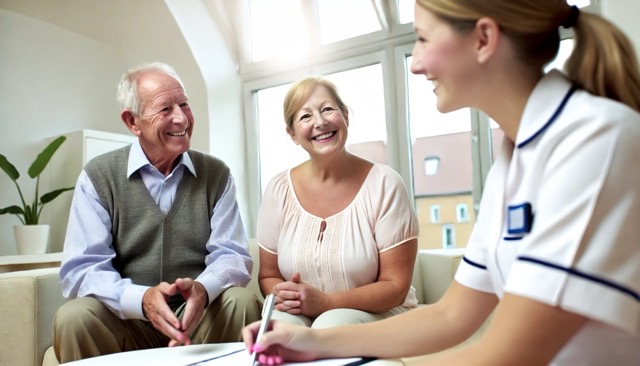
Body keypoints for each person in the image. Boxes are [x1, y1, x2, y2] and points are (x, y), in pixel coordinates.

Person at [242, 1, 640, 365]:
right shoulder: (513, 156)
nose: (414, 63)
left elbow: (510, 354)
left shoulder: (594, 139)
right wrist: (308, 345)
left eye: (423, 38)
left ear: (483, 39)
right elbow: (452, 315)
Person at [53, 62, 262, 363]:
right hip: (128, 320)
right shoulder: (98, 176)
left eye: (184, 104)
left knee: (240, 301)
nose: (181, 117)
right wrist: (142, 300)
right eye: (165, 109)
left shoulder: (216, 174)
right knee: (74, 317)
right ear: (132, 122)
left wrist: (203, 289)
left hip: (198, 318)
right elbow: (82, 269)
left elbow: (232, 255)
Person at [255, 76, 419, 329]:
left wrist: (326, 303)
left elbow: (395, 287)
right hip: (305, 312)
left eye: (327, 109)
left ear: (345, 116)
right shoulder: (278, 189)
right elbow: (268, 275)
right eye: (305, 116)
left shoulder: (385, 184)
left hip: (382, 312)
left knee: (328, 326)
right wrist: (287, 296)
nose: (320, 123)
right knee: (277, 328)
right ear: (293, 134)